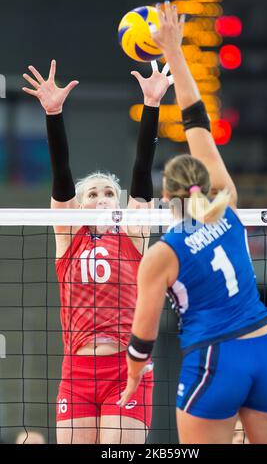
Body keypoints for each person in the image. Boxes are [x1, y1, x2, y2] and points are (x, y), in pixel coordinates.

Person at [118, 1, 267, 444]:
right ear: (204, 185)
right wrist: (175, 53)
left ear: (165, 196)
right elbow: (198, 121)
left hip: (216, 359)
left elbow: (142, 338)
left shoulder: (163, 252)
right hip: (266, 352)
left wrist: (134, 378)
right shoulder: (228, 207)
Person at [22, 59, 173, 444]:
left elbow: (142, 173)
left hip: (127, 370)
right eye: (94, 193)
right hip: (77, 374)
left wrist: (152, 105)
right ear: (80, 204)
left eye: (109, 192)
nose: (103, 197)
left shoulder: (134, 232)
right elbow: (61, 178)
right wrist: (53, 114)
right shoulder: (68, 235)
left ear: (120, 202)